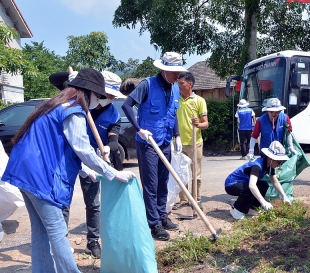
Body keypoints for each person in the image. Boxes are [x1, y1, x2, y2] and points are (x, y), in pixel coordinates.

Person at [1, 68, 136, 273]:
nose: (100, 99)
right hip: (41, 176)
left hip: (25, 172)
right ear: (90, 92)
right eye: (99, 94)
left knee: (41, 230)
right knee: (57, 231)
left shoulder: (54, 106)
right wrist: (112, 172)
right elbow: (82, 149)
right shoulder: (74, 110)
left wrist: (87, 171)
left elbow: (64, 148)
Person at [49, 70, 125, 259]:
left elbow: (114, 138)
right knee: (63, 199)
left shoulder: (113, 114)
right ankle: (60, 242)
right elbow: (54, 79)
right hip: (67, 158)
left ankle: (93, 241)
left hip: (92, 161)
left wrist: (108, 147)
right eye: (110, 94)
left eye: (114, 96)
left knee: (93, 202)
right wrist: (71, 78)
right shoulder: (78, 96)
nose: (112, 98)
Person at [121, 52, 185, 241]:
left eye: (178, 72)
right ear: (163, 70)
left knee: (163, 182)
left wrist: (177, 136)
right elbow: (127, 105)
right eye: (173, 72)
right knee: (151, 184)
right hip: (148, 143)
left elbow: (172, 115)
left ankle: (163, 216)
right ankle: (154, 224)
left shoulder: (175, 89)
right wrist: (139, 129)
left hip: (165, 141)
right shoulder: (147, 85)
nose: (177, 76)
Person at [225, 140, 292, 220]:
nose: (279, 164)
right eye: (278, 161)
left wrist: (284, 196)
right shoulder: (257, 166)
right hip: (231, 184)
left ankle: (251, 208)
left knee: (263, 185)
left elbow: (275, 182)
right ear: (270, 158)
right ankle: (236, 210)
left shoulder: (269, 166)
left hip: (243, 183)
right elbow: (252, 185)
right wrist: (263, 202)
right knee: (250, 189)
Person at [174, 72, 208, 209]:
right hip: (178, 143)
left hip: (195, 142)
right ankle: (183, 200)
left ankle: (196, 199)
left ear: (190, 84)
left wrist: (198, 124)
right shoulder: (176, 99)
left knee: (196, 173)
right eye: (178, 83)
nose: (179, 86)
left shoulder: (199, 101)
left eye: (181, 83)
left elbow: (206, 123)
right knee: (181, 173)